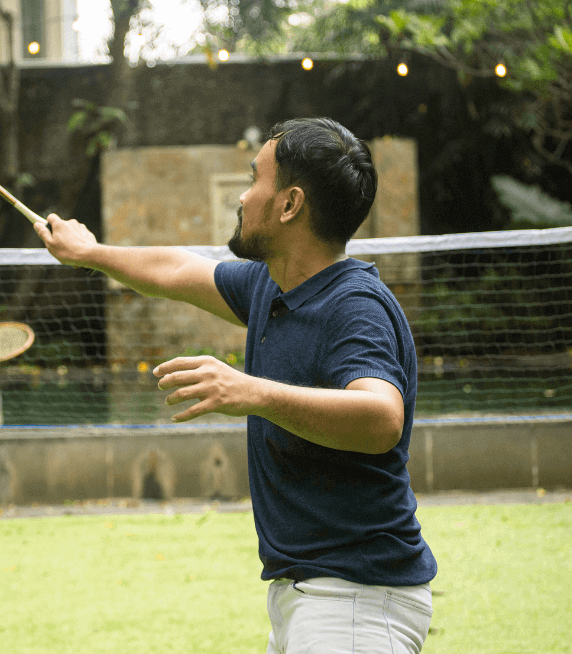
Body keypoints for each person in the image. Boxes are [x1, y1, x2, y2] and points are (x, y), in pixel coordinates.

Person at [35, 117, 437, 653]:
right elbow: (177, 270)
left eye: (254, 180)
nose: (243, 197)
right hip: (314, 592)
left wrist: (251, 392)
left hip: (356, 599)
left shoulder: (353, 307)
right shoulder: (271, 285)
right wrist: (91, 252)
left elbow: (381, 417)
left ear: (290, 204)